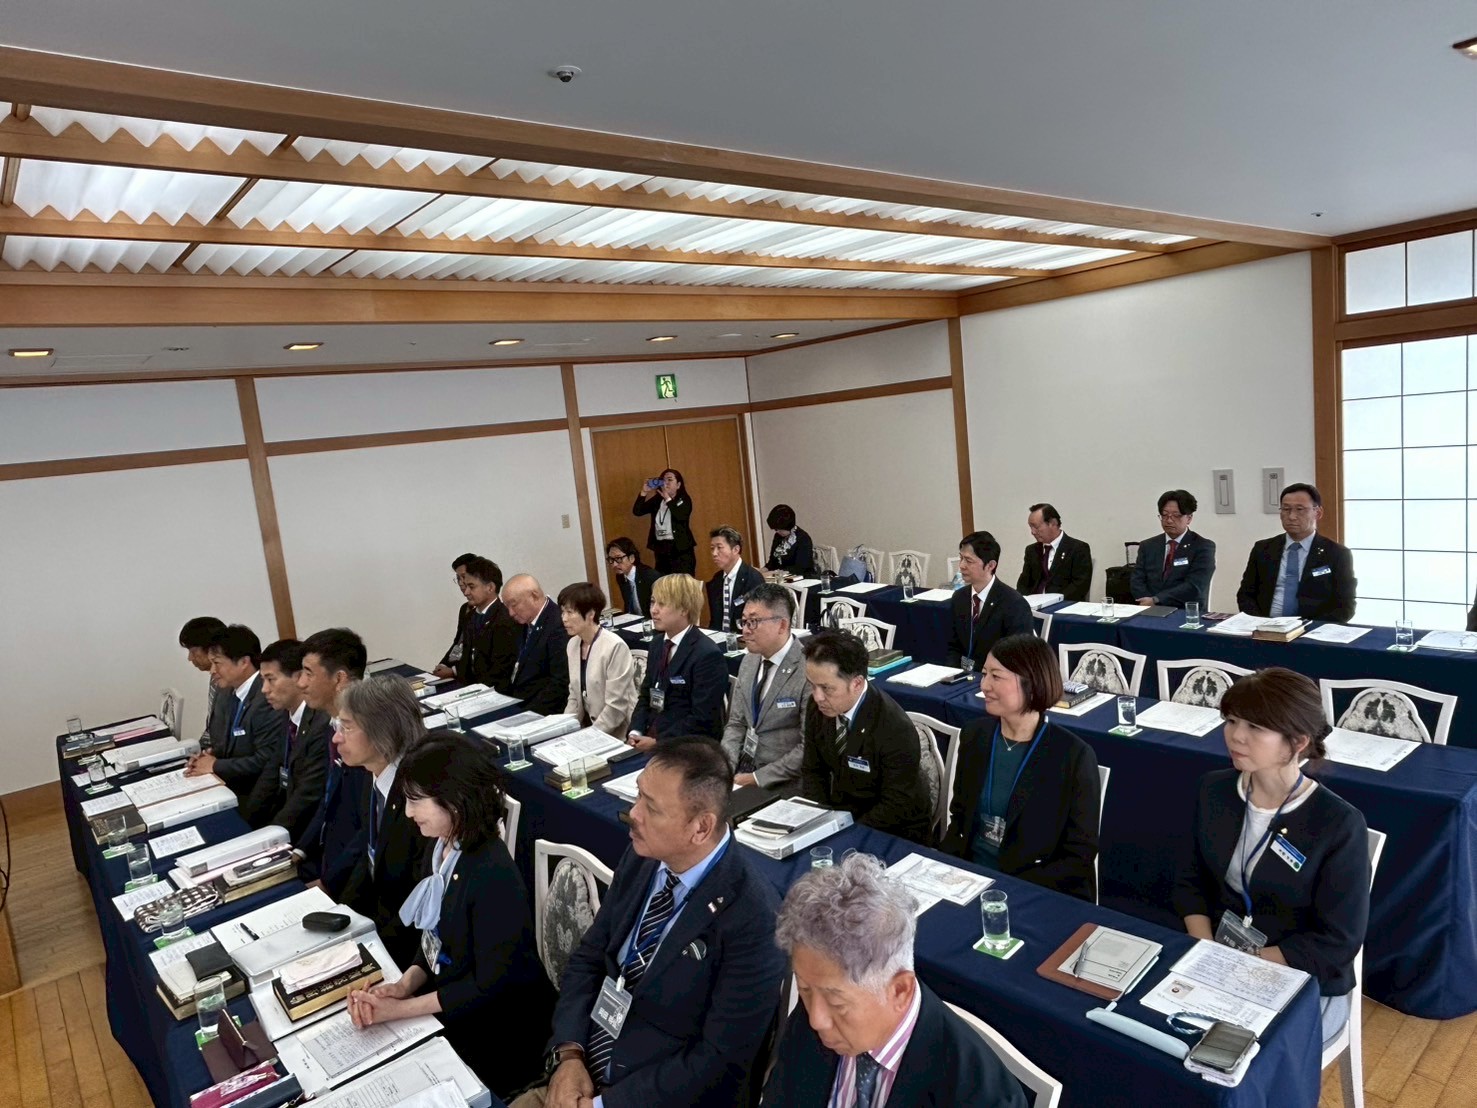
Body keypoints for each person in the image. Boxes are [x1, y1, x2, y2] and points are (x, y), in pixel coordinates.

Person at [517, 738, 785, 1108]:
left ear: (701, 828)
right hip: (581, 1072)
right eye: (639, 795)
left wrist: (602, 1106)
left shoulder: (754, 918)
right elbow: (589, 957)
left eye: (652, 808)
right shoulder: (643, 857)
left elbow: (716, 1061)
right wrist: (569, 1054)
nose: (634, 813)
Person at [348, 731, 556, 1099]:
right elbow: (433, 938)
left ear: (455, 801)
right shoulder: (442, 848)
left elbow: (488, 986)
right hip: (455, 1002)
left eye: (416, 801)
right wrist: (403, 986)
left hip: (499, 1035)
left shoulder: (491, 874)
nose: (408, 812)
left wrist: (399, 1010)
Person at [1174, 667, 1370, 1047]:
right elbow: (1188, 880)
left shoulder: (1338, 824)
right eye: (1231, 721)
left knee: (1228, 1056)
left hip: (1300, 974)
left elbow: (1338, 942)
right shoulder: (1213, 790)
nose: (1235, 735)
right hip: (1217, 954)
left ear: (1297, 742)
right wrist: (1207, 950)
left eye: (1255, 727)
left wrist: (1246, 964)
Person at [764, 854, 1028, 1108]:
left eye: (837, 1003)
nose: (816, 1020)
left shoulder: (982, 1096)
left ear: (900, 990)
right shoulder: (816, 1004)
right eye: (804, 989)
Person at [940, 634, 1100, 903]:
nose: (984, 685)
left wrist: (1010, 890)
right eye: (984, 674)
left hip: (1035, 890)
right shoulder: (975, 736)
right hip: (969, 880)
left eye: (996, 676)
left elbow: (1078, 856)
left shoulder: (1072, 756)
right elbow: (960, 818)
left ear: (1031, 682)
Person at [799, 631, 932, 845]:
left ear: (857, 684)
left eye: (826, 688)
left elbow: (896, 803)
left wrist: (848, 836)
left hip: (895, 830)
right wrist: (819, 822)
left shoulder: (894, 727)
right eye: (812, 685)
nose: (817, 697)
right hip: (843, 817)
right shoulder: (818, 708)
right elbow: (813, 771)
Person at [336, 674, 429, 967]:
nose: (337, 738)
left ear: (382, 732)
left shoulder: (421, 801)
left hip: (408, 951)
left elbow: (420, 903)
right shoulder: (373, 776)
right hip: (377, 925)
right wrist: (343, 914)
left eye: (347, 727)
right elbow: (369, 857)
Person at [186, 624, 286, 826]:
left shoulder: (267, 698)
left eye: (217, 663)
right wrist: (207, 757)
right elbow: (222, 740)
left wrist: (215, 765)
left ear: (243, 662)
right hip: (227, 785)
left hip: (254, 797)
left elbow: (265, 760)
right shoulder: (225, 691)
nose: (212, 671)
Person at [296, 627, 369, 893]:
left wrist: (329, 883)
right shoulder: (331, 724)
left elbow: (370, 826)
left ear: (339, 678)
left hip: (353, 878)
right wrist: (299, 851)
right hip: (325, 855)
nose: (300, 683)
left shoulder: (367, 736)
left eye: (308, 673)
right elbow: (329, 799)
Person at [721, 583, 809, 791]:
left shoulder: (807, 670)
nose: (745, 630)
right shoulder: (749, 660)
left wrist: (756, 778)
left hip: (782, 781)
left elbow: (808, 747)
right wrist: (725, 768)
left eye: (754, 622)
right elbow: (736, 723)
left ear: (782, 625)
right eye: (744, 622)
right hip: (742, 770)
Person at [247, 638, 331, 843]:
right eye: (263, 680)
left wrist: (268, 839)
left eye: (271, 679)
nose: (264, 689)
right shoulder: (288, 714)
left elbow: (308, 796)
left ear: (298, 677)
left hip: (309, 834)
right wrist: (246, 826)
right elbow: (270, 775)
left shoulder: (321, 724)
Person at [628, 574, 727, 749]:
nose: (653, 610)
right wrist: (635, 731)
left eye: (662, 604)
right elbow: (646, 695)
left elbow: (702, 719)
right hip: (652, 736)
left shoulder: (706, 654)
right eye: (652, 602)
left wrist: (658, 743)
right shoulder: (657, 644)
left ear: (684, 609)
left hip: (686, 747)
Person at [1236, 483, 1356, 623]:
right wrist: (1259, 623)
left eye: (1300, 509)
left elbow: (1345, 606)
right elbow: (1245, 595)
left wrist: (1309, 628)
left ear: (1318, 513)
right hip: (1265, 625)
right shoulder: (1263, 548)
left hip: (1311, 629)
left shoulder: (1337, 554)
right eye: (1286, 509)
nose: (1292, 516)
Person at [560, 581, 639, 738]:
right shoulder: (573, 645)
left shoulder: (614, 646)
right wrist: (563, 730)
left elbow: (616, 707)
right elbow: (574, 697)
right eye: (562, 612)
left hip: (617, 733)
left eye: (570, 612)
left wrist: (590, 736)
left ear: (591, 614)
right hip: (587, 729)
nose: (564, 618)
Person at [946, 532, 1033, 672]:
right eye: (961, 558)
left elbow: (1017, 657)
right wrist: (954, 674)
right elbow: (953, 647)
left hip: (996, 677)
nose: (961, 566)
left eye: (969, 561)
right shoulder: (959, 597)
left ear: (990, 565)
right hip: (961, 677)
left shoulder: (1013, 604)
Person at [1131, 490, 1216, 609]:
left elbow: (1194, 586)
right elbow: (1137, 580)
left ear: (1189, 518)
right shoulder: (1148, 545)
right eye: (1164, 515)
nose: (1169, 520)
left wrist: (1157, 600)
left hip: (1185, 611)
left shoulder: (1203, 546)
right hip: (1149, 609)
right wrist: (1147, 601)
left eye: (1176, 515)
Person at [500, 574, 572, 715]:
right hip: (517, 702)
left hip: (541, 711)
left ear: (534, 596)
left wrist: (526, 715)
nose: (510, 613)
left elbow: (560, 683)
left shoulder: (557, 624)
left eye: (514, 605)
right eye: (507, 607)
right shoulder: (521, 624)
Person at [454, 556, 520, 689]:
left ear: (490, 587)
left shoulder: (505, 620)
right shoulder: (470, 616)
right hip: (469, 689)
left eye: (471, 587)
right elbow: (466, 661)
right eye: (466, 586)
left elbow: (501, 672)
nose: (466, 592)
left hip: (494, 692)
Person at [1016, 503, 1092, 602]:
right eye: (1031, 527)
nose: (1033, 532)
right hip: (1033, 606)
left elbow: (1080, 586)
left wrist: (1053, 601)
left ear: (1052, 523)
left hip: (1063, 604)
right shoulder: (1031, 550)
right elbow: (1023, 584)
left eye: (1036, 527)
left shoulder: (1078, 548)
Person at [632, 468, 696, 574]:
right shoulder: (657, 500)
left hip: (680, 550)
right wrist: (644, 492)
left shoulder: (684, 499)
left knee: (682, 582)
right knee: (664, 581)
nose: (666, 483)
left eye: (670, 480)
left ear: (678, 485)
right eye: (663, 480)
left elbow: (680, 516)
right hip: (662, 549)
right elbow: (637, 511)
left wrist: (668, 499)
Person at [705, 526, 765, 634]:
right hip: (719, 637)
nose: (714, 553)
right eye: (712, 548)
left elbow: (758, 619)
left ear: (736, 549)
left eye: (719, 548)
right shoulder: (716, 580)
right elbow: (715, 620)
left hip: (744, 636)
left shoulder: (753, 578)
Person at [178, 616, 225, 743]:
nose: (190, 658)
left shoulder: (228, 682)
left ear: (211, 649)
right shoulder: (215, 677)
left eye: (193, 652)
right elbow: (212, 729)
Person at [432, 553, 479, 679]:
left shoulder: (490, 612)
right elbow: (458, 643)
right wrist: (443, 664)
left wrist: (453, 671)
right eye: (458, 578)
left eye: (464, 577)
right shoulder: (464, 609)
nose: (461, 583)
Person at [607, 536, 661, 618]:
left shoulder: (650, 576)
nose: (614, 564)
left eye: (618, 558)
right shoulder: (620, 577)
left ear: (632, 558)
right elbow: (628, 605)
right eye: (611, 559)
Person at [765, 504, 815, 575]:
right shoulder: (778, 536)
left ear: (788, 526)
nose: (777, 531)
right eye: (775, 529)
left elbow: (800, 568)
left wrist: (774, 573)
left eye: (780, 529)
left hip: (801, 577)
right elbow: (772, 563)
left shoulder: (803, 539)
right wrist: (760, 571)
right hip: (781, 576)